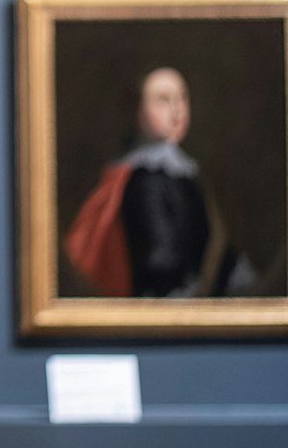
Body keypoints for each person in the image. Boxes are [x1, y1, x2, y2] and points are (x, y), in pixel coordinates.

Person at [64, 66, 245, 298]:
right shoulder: (144, 180)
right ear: (138, 112)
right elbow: (159, 261)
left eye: (182, 98)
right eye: (163, 100)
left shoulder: (184, 172)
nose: (177, 109)